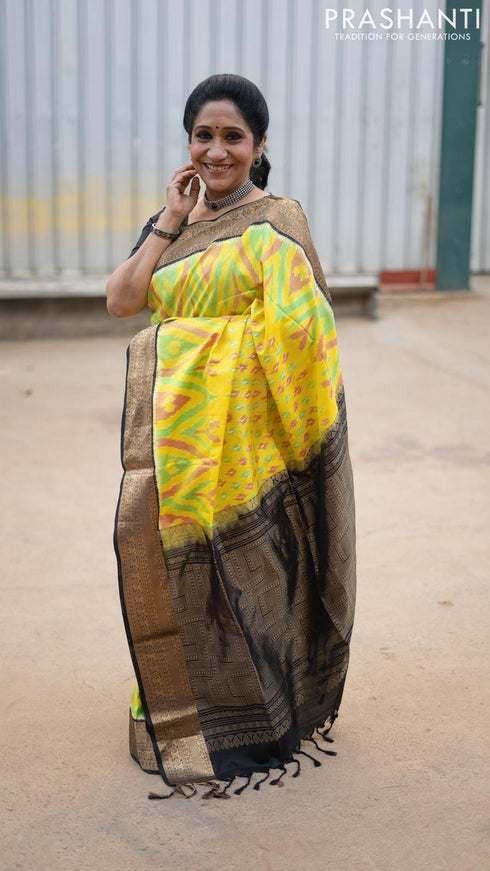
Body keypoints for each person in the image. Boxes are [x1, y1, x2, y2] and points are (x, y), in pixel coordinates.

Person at [107, 73, 356, 799]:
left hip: (251, 452)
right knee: (178, 574)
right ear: (188, 143)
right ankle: (183, 714)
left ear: (259, 145)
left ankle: (262, 723)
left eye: (232, 136)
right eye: (203, 135)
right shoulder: (174, 222)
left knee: (256, 582)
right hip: (176, 449)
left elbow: (309, 336)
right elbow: (123, 301)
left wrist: (213, 348)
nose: (216, 151)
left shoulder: (279, 222)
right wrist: (168, 219)